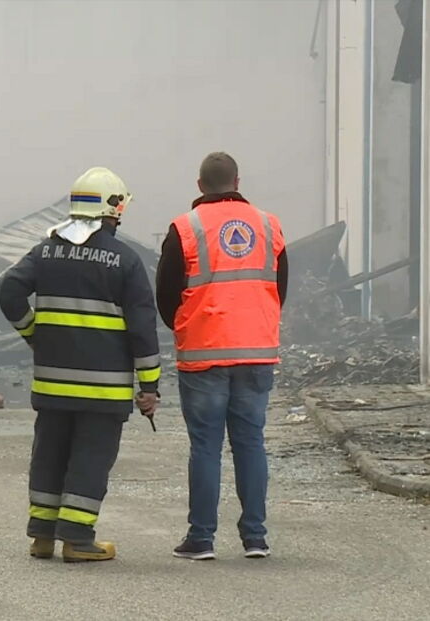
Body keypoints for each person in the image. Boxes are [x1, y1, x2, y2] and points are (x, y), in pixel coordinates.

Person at [0, 167, 161, 563]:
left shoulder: (45, 250)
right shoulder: (125, 260)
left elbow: (8, 289)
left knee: (49, 454)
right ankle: (77, 540)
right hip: (101, 390)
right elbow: (142, 328)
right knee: (89, 459)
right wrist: (150, 386)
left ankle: (41, 536)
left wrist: (33, 332)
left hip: (53, 384)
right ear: (111, 210)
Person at [156, 152, 288, 561]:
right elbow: (279, 287)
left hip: (205, 351)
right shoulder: (269, 225)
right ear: (237, 180)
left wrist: (186, 325)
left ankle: (202, 538)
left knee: (206, 447)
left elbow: (165, 294)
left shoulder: (185, 228)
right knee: (251, 443)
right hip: (255, 351)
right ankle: (255, 537)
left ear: (200, 185)